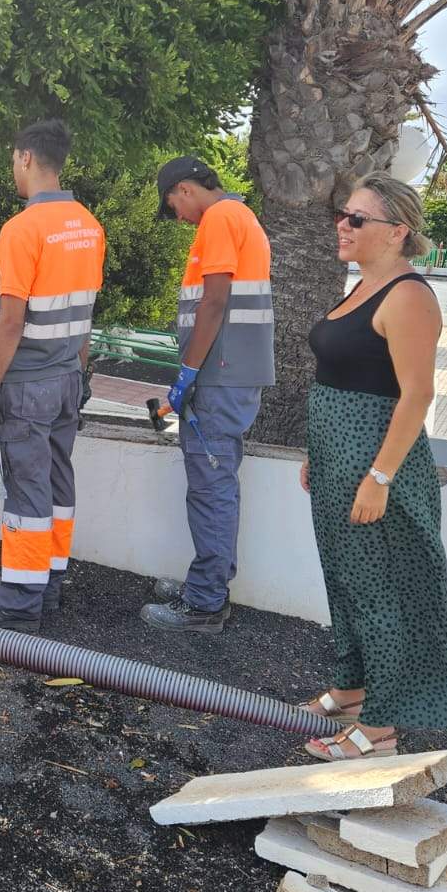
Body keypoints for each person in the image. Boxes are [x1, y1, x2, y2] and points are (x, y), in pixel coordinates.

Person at [300, 173, 447, 760]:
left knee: (383, 593)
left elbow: (416, 395)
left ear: (397, 231)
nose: (342, 225)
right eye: (343, 215)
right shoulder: (360, 288)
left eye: (357, 219)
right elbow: (338, 378)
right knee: (344, 583)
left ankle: (383, 729)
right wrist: (318, 455)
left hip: (378, 470)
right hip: (339, 464)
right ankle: (351, 690)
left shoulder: (409, 296)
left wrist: (380, 478)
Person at [0, 120, 104, 631]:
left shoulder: (22, 229)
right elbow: (84, 311)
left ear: (24, 158)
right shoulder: (88, 224)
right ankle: (50, 583)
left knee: (27, 489)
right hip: (66, 378)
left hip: (29, 382)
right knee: (59, 480)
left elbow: (11, 318)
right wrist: (79, 377)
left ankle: (18, 604)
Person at [140, 155, 275, 634]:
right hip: (227, 374)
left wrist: (187, 374)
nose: (176, 214)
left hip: (220, 375)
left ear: (184, 187)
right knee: (211, 483)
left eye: (171, 202)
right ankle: (205, 586)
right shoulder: (239, 217)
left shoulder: (221, 218)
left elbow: (215, 300)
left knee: (212, 486)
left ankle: (205, 604)